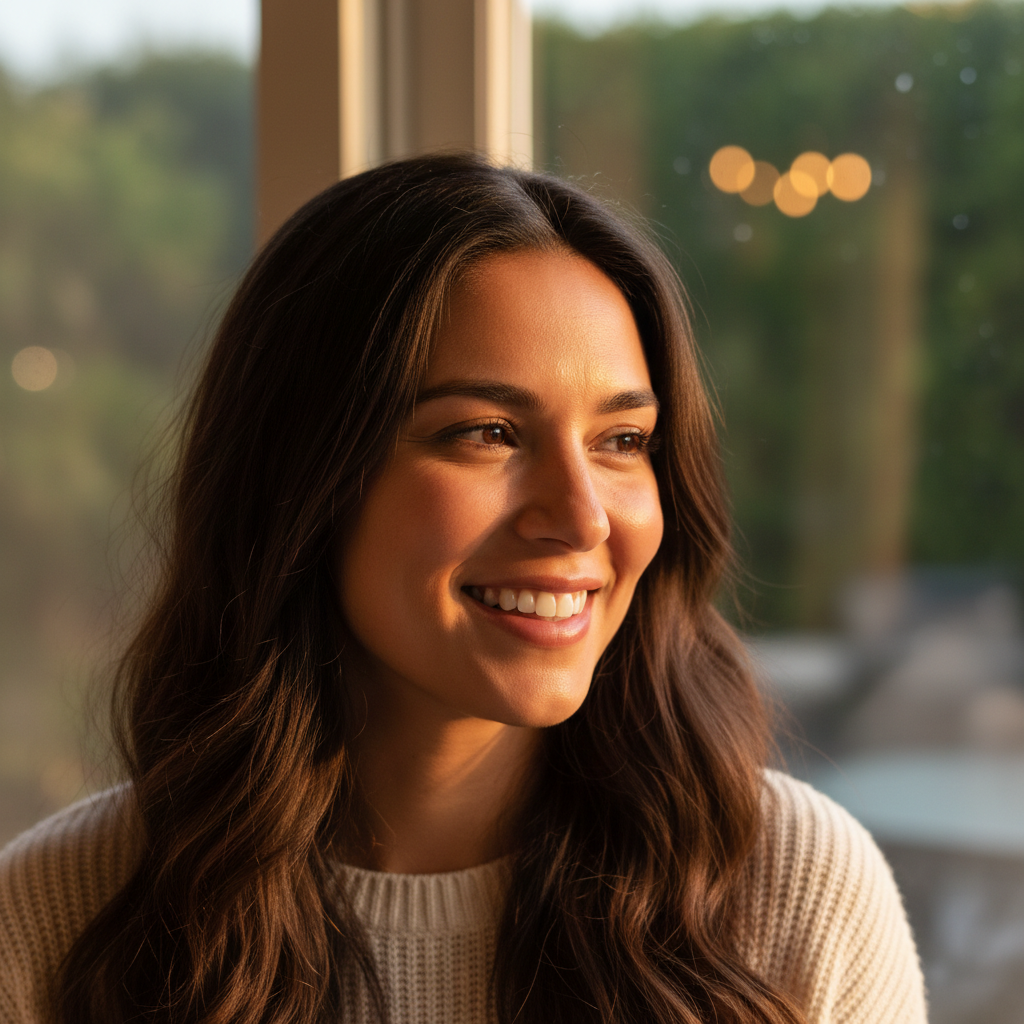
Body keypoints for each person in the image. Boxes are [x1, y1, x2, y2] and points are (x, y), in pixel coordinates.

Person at [0, 154, 926, 1024]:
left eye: (622, 441)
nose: (582, 519)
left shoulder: (794, 893)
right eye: (486, 433)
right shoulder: (54, 916)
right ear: (300, 479)